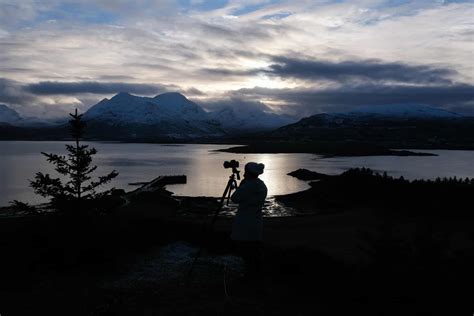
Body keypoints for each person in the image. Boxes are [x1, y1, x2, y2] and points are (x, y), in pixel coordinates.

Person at [230, 162, 267, 281]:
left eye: (246, 172)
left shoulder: (248, 185)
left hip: (245, 222)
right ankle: (255, 275)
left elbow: (234, 198)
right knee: (254, 250)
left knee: (247, 251)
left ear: (249, 173)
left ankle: (249, 277)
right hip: (255, 221)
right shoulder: (261, 185)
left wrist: (241, 185)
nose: (244, 174)